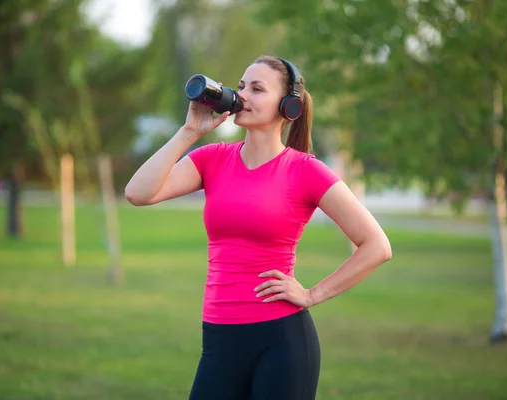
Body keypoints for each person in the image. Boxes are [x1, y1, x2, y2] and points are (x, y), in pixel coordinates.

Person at [125, 55, 392, 400]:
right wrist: (189, 132)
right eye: (240, 87)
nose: (243, 96)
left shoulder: (306, 171)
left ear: (288, 106)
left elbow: (377, 245)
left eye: (257, 88)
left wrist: (313, 294)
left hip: (281, 341)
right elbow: (137, 193)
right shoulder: (213, 159)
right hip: (219, 336)